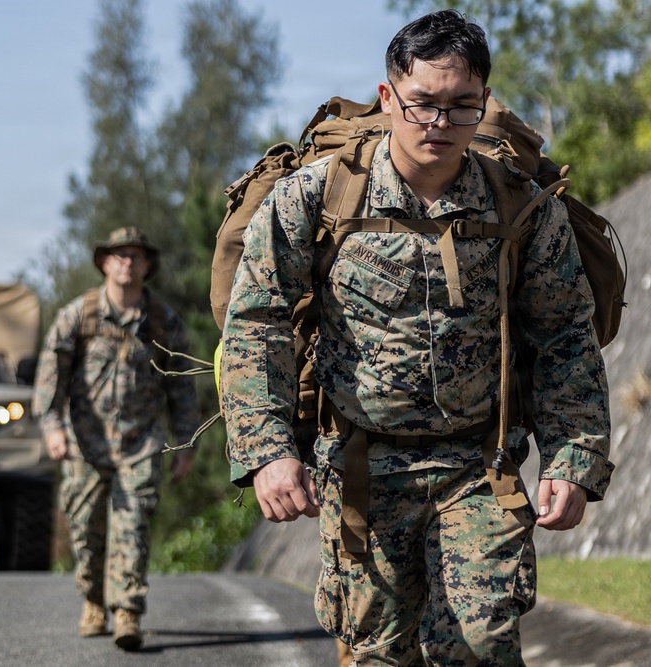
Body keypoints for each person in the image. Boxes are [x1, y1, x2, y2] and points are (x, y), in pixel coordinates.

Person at [220, 10, 614, 666]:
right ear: (388, 97)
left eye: (462, 106)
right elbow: (256, 321)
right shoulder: (315, 199)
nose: (439, 124)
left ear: (484, 101)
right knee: (376, 654)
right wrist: (266, 449)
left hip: (478, 467)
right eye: (423, 103)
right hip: (360, 469)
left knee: (481, 646)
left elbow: (564, 335)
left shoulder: (520, 206)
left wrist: (574, 458)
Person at [33, 226, 199, 651]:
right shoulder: (79, 315)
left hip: (140, 443)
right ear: (105, 263)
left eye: (136, 256)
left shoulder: (161, 320)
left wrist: (185, 445)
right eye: (119, 255)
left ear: (147, 266)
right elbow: (51, 377)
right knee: (86, 530)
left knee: (133, 528)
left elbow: (181, 387)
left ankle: (127, 611)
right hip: (85, 444)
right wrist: (53, 429)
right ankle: (93, 600)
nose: (127, 262)